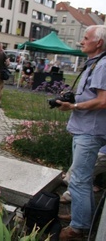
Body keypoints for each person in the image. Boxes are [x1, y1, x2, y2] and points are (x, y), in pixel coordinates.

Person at [56, 25, 106, 240]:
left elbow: (103, 101)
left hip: (91, 131)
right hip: (85, 129)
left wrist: (73, 107)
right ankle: (81, 216)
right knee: (80, 178)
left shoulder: (103, 65)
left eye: (86, 38)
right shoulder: (94, 63)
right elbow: (90, 95)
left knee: (79, 179)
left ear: (99, 43)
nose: (81, 41)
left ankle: (79, 228)